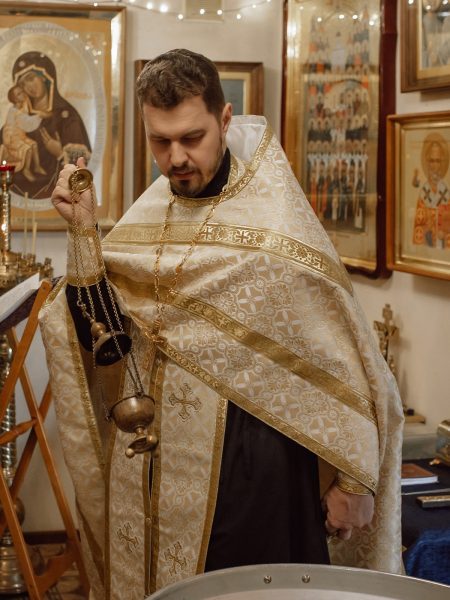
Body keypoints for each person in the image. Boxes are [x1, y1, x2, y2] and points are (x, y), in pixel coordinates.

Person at [41, 49, 404, 599]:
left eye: (192, 137)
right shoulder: (149, 216)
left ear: (225, 119)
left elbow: (344, 359)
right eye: (160, 141)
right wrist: (84, 232)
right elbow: (106, 340)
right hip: (154, 468)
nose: (176, 158)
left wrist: (355, 477)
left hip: (254, 469)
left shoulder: (277, 226)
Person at [0, 51, 91, 199]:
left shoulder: (66, 115)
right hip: (19, 194)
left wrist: (60, 153)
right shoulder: (19, 117)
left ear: (45, 76)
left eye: (31, 79)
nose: (28, 87)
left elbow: (82, 167)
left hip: (58, 196)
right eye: (22, 84)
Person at [0, 85, 47, 181]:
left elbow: (26, 116)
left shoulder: (21, 107)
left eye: (22, 91)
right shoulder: (14, 111)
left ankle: (37, 167)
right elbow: (26, 123)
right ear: (15, 99)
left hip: (20, 136)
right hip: (12, 138)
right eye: (19, 94)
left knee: (34, 145)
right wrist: (39, 116)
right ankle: (26, 169)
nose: (23, 94)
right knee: (28, 149)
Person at [412, 132, 450, 249]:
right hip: (427, 250)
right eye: (432, 161)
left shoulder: (446, 192)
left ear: (442, 163)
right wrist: (427, 229)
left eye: (437, 161)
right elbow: (418, 229)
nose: (434, 166)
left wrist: (444, 232)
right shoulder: (424, 192)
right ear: (427, 163)